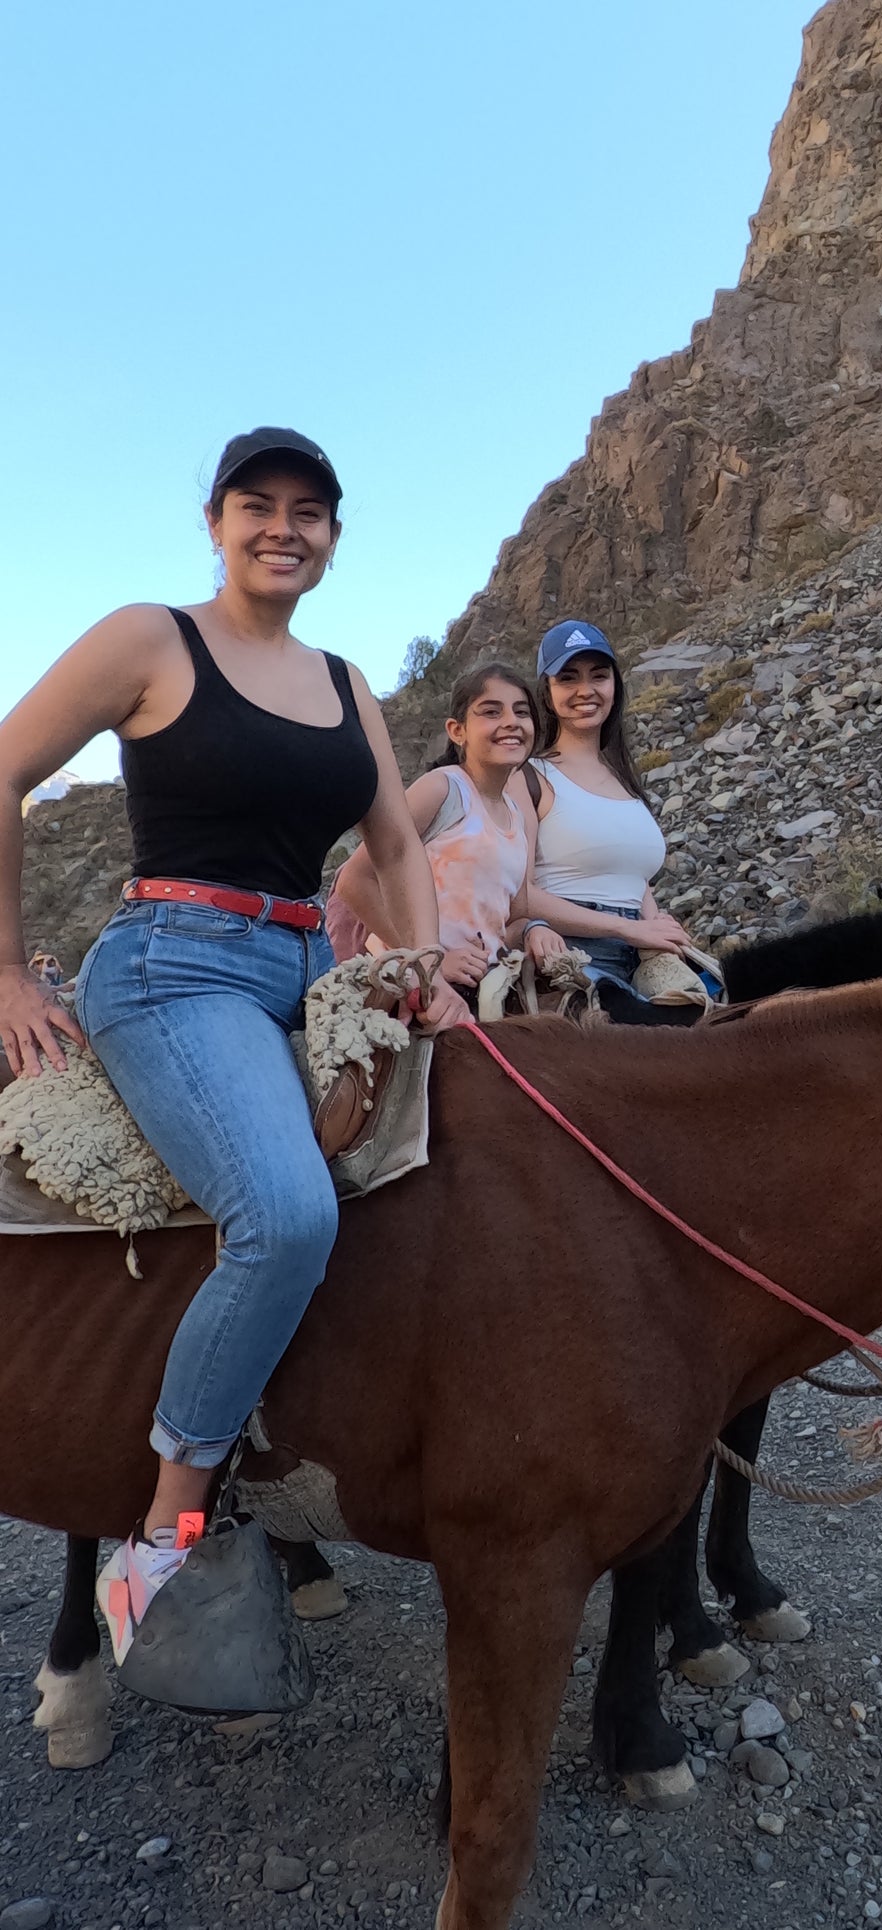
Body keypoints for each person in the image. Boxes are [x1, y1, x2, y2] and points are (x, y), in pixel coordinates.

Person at [0, 427, 466, 1696]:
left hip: (313, 961)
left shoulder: (345, 680)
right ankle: (171, 1522)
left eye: (309, 510)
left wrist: (422, 968)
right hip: (174, 960)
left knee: (454, 1172)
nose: (284, 525)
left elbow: (398, 843)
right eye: (258, 504)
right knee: (288, 1210)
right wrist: (4, 966)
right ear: (215, 521)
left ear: (331, 536)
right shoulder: (153, 639)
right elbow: (5, 770)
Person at [329, 661, 568, 993]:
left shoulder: (517, 815)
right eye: (491, 712)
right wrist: (431, 959)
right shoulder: (443, 789)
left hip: (476, 986)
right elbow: (354, 881)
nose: (511, 722)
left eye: (521, 712)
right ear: (458, 731)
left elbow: (509, 919)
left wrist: (533, 929)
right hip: (407, 984)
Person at [523, 620, 702, 1014]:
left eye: (598, 676)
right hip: (571, 954)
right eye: (568, 678)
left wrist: (658, 932)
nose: (585, 690)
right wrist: (628, 928)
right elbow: (515, 889)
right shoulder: (530, 776)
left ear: (614, 687)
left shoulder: (625, 780)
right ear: (547, 694)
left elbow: (635, 880)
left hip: (642, 954)